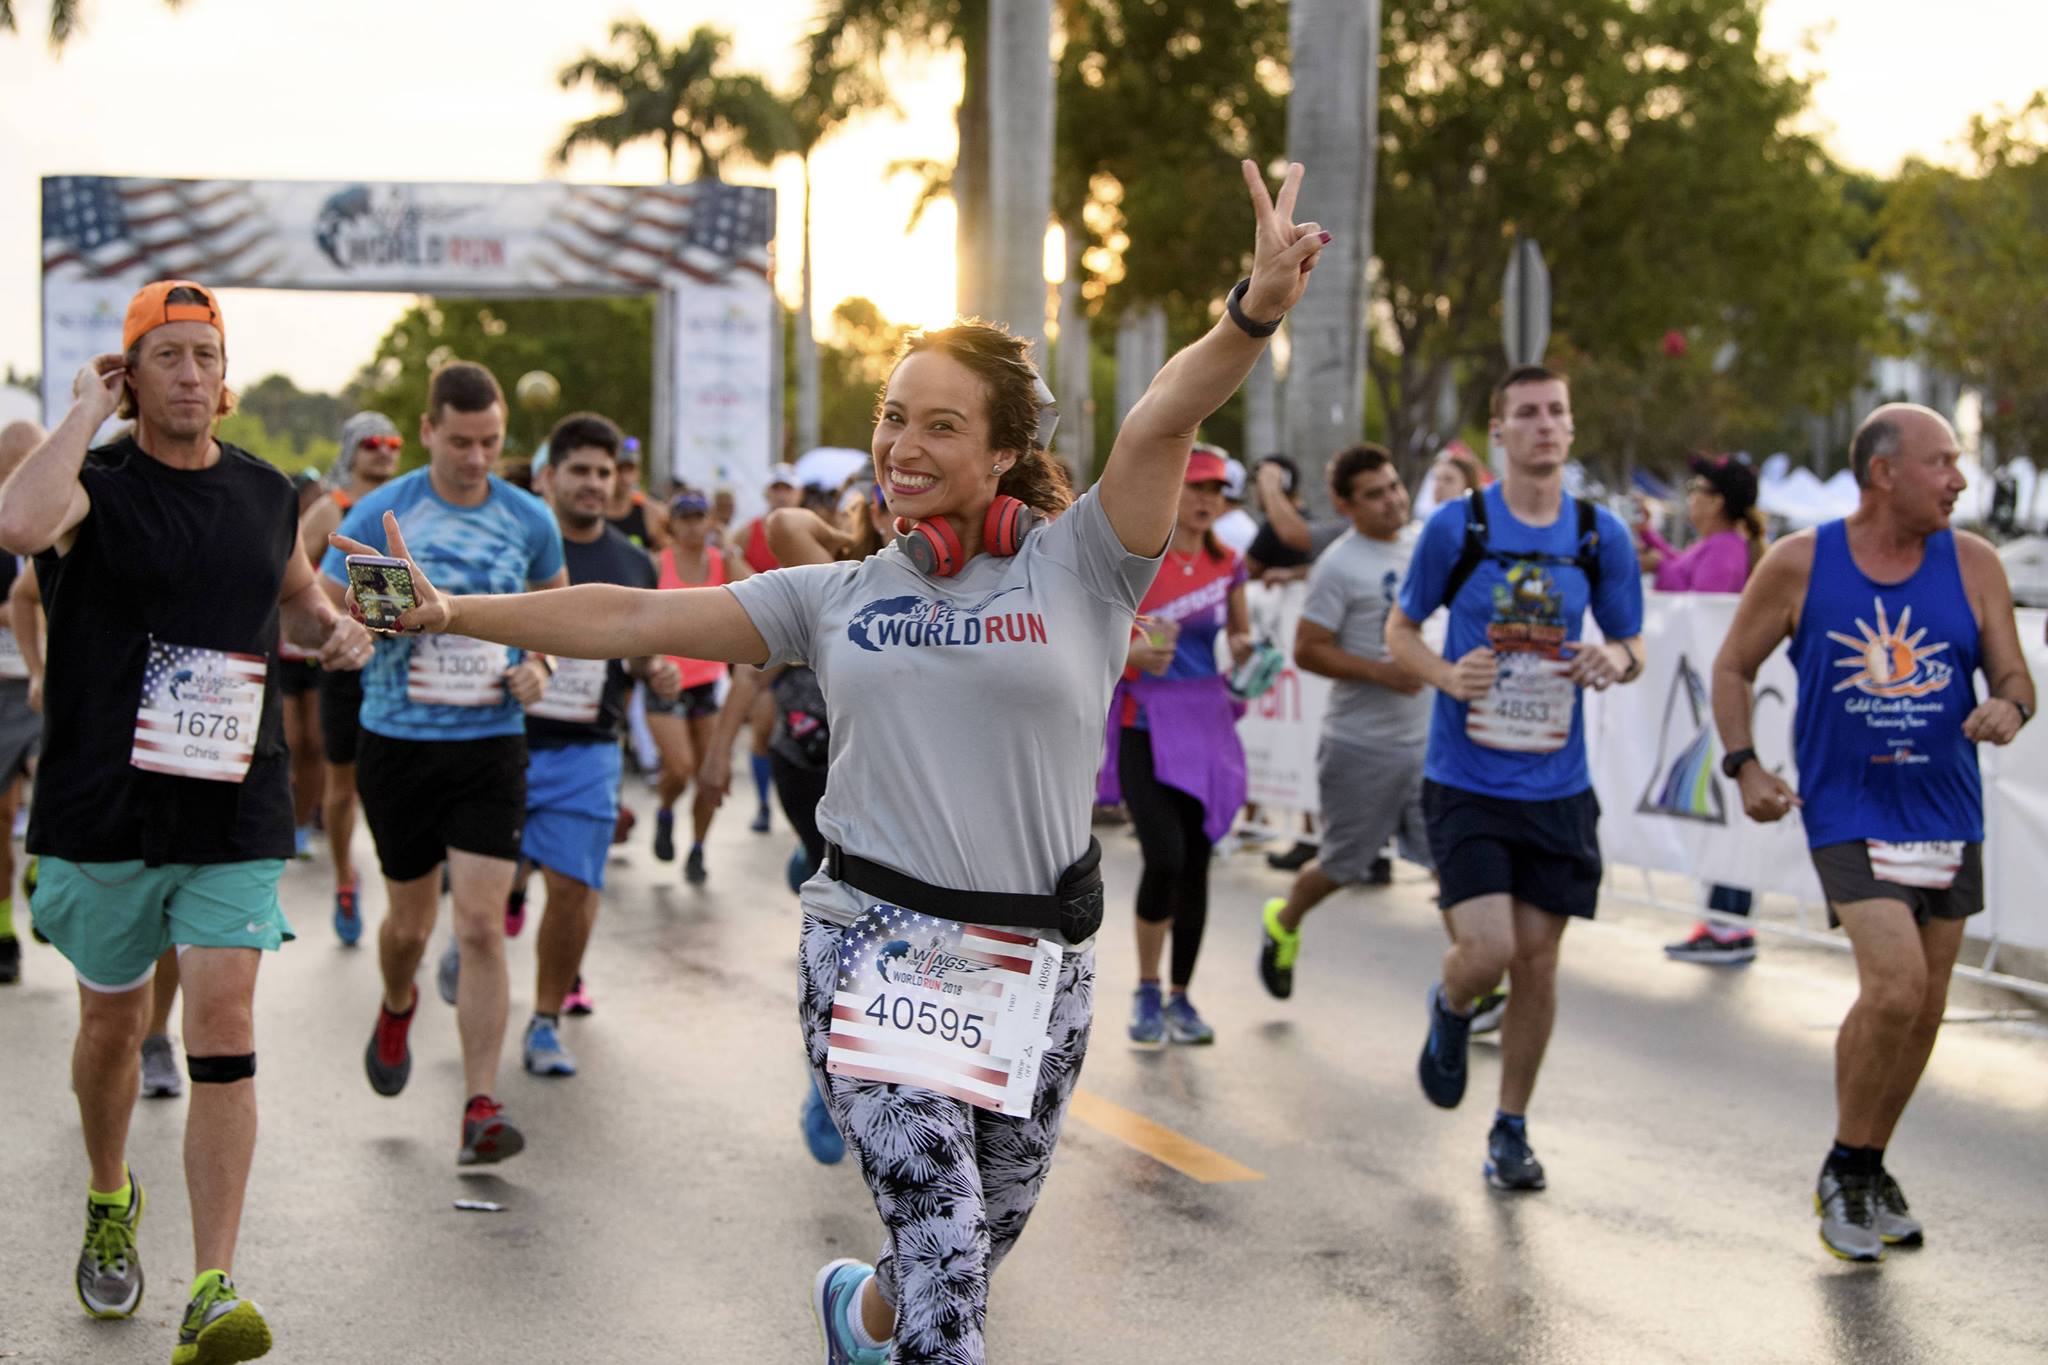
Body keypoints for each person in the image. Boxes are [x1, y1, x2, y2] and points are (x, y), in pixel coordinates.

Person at [340, 158, 1325, 1365]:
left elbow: (1163, 411)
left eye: (939, 424)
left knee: (966, 1247)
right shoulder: (835, 595)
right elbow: (630, 620)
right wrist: (453, 612)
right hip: (874, 945)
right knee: (949, 1266)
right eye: (890, 417)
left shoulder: (1087, 562)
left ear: (1007, 454)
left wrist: (1251, 312)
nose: (900, 446)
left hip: (1038, 962)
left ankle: (856, 1317)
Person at [0, 278, 373, 1363]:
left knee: (222, 1026)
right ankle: (111, 1194)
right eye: (164, 357)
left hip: (231, 804)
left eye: (204, 356)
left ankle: (213, 1284)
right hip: (102, 806)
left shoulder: (263, 492)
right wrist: (82, 410)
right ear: (130, 374)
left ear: (227, 374)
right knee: (114, 1030)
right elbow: (17, 523)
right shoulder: (91, 486)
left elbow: (300, 601)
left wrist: (335, 634)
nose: (190, 376)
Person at [1711, 403, 2033, 1263]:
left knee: (1924, 1008)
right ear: (1884, 471)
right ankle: (1845, 1170)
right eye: (1944, 462)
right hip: (1847, 808)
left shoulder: (1974, 563)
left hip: (1946, 810)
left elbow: (2013, 672)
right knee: (1891, 988)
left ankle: (1868, 1162)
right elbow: (1732, 663)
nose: (1960, 479)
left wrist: (2008, 705)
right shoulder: (1799, 561)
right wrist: (1745, 763)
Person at [1386, 363, 1645, 1193]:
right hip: (1465, 779)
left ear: (1571, 427)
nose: (1544, 425)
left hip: (1557, 786)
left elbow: (1634, 646)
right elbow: (1401, 628)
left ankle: (1510, 1127)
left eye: (1556, 412)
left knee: (1537, 963)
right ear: (1499, 431)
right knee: (1488, 950)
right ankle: (1453, 1002)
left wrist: (1615, 656)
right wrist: (1441, 673)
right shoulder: (1457, 528)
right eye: (1527, 413)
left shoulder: (1602, 535)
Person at [317, 360, 566, 1166]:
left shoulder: (529, 517)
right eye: (460, 441)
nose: (475, 457)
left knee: (482, 925)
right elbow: (320, 599)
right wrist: (347, 629)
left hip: (490, 743)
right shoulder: (386, 508)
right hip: (398, 742)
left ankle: (480, 1103)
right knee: (411, 926)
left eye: (490, 441)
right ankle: (397, 1000)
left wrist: (544, 668)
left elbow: (559, 615)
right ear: (427, 432)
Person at [517, 412, 678, 1076]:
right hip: (506, 739)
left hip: (588, 745)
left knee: (575, 887)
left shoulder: (632, 560)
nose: (592, 483)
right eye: (579, 470)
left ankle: (545, 1019)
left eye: (603, 473)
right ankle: (472, 933)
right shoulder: (518, 543)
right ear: (550, 476)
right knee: (488, 883)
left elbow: (637, 651)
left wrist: (654, 667)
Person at [1255, 445, 1435, 993]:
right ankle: (1282, 924)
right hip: (1361, 745)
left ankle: (1480, 979)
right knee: (1341, 867)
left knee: (1455, 864)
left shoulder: (1427, 546)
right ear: (1345, 505)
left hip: (1430, 744)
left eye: (1395, 487)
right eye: (1374, 495)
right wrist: (1381, 673)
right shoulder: (1340, 564)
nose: (1392, 501)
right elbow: (1308, 650)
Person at [1098, 446, 1251, 1047]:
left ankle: (1181, 997)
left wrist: (1244, 651)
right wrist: (1131, 652)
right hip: (1143, 718)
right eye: (1197, 488)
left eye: (1218, 492)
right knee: (1164, 855)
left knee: (1198, 860)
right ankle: (1144, 986)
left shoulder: (1229, 564)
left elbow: (1240, 636)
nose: (1208, 501)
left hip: (1205, 719)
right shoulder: (1140, 560)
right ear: (1173, 491)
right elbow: (1100, 631)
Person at [1635, 453, 1770, 964]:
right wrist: (1653, 543)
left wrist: (1654, 554)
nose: (1690, 498)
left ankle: (1729, 924)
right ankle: (1722, 919)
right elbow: (1679, 574)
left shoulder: (1725, 551)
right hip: (1707, 699)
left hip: (1715, 700)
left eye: (1698, 488)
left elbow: (1700, 613)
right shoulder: (1723, 546)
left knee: (1725, 811)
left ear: (1719, 502)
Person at [299, 411, 405, 944]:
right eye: (371, 443)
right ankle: (344, 876)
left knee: (403, 778)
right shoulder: (331, 509)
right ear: (350, 449)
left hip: (403, 660)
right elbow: (293, 578)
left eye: (392, 442)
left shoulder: (412, 505)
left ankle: (410, 885)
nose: (384, 451)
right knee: (342, 782)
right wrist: (336, 618)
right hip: (345, 659)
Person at [646, 490, 730, 884]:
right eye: (686, 517)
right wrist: (650, 661)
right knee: (679, 769)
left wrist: (732, 551)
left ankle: (697, 849)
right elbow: (637, 614)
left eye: (700, 517)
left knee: (709, 776)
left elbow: (760, 591)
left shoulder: (720, 561)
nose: (694, 525)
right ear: (673, 524)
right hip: (665, 680)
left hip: (708, 682)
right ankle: (665, 812)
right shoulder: (657, 563)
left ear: (709, 521)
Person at [724, 463, 806, 833]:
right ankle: (762, 805)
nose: (781, 494)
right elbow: (728, 568)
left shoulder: (806, 529)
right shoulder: (750, 531)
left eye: (787, 488)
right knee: (761, 730)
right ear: (767, 492)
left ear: (797, 493)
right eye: (776, 488)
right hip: (763, 646)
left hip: (802, 653)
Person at [0, 421, 45, 985]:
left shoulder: (65, 512)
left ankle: (45, 874)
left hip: (49, 681)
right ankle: (5, 929)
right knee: (2, 814)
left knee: (61, 784)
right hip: (0, 684)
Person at [604, 435, 669, 552]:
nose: (624, 477)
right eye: (618, 469)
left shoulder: (652, 513)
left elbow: (668, 559)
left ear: (638, 472)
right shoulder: (591, 510)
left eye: (630, 469)